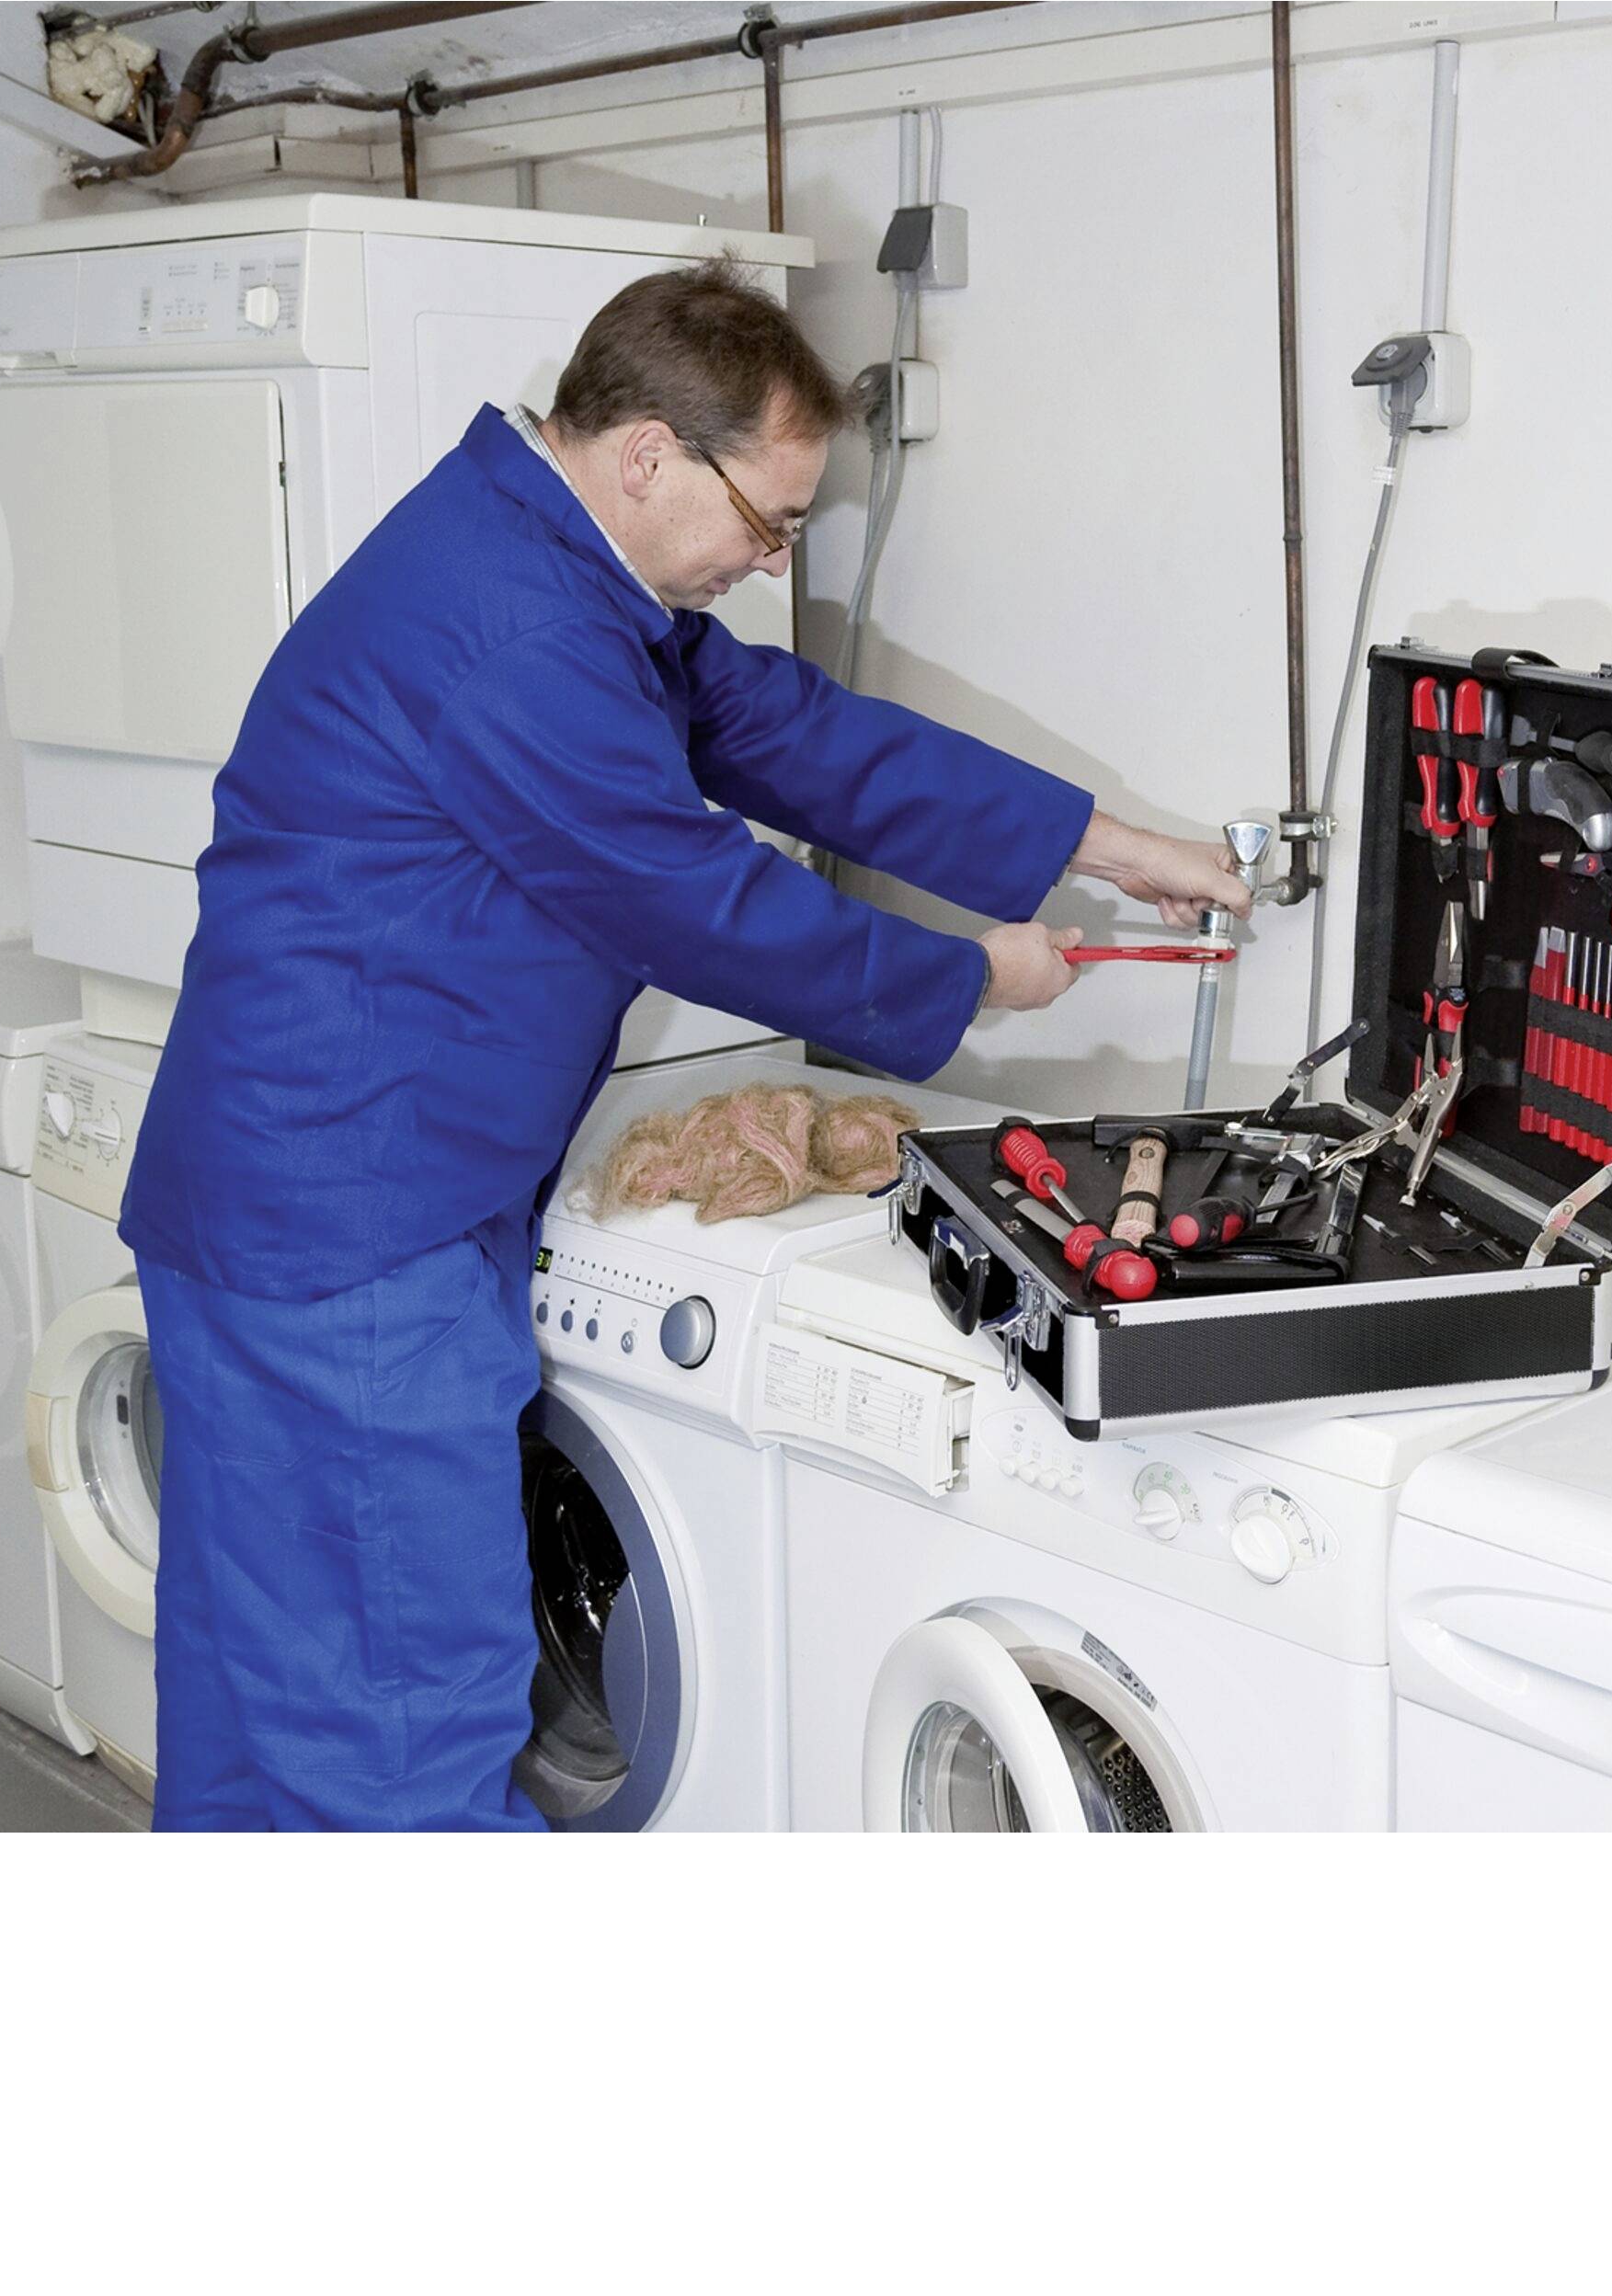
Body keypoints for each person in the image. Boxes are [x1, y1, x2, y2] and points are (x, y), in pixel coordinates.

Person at [120, 262, 1247, 1831]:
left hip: (296, 1203)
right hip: (350, 1233)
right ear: (648, 453)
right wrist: (970, 974)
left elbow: (793, 734)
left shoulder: (560, 566)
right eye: (769, 520)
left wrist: (1110, 845)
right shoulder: (515, 628)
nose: (772, 555)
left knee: (262, 1697)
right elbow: (695, 900)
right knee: (399, 1728)